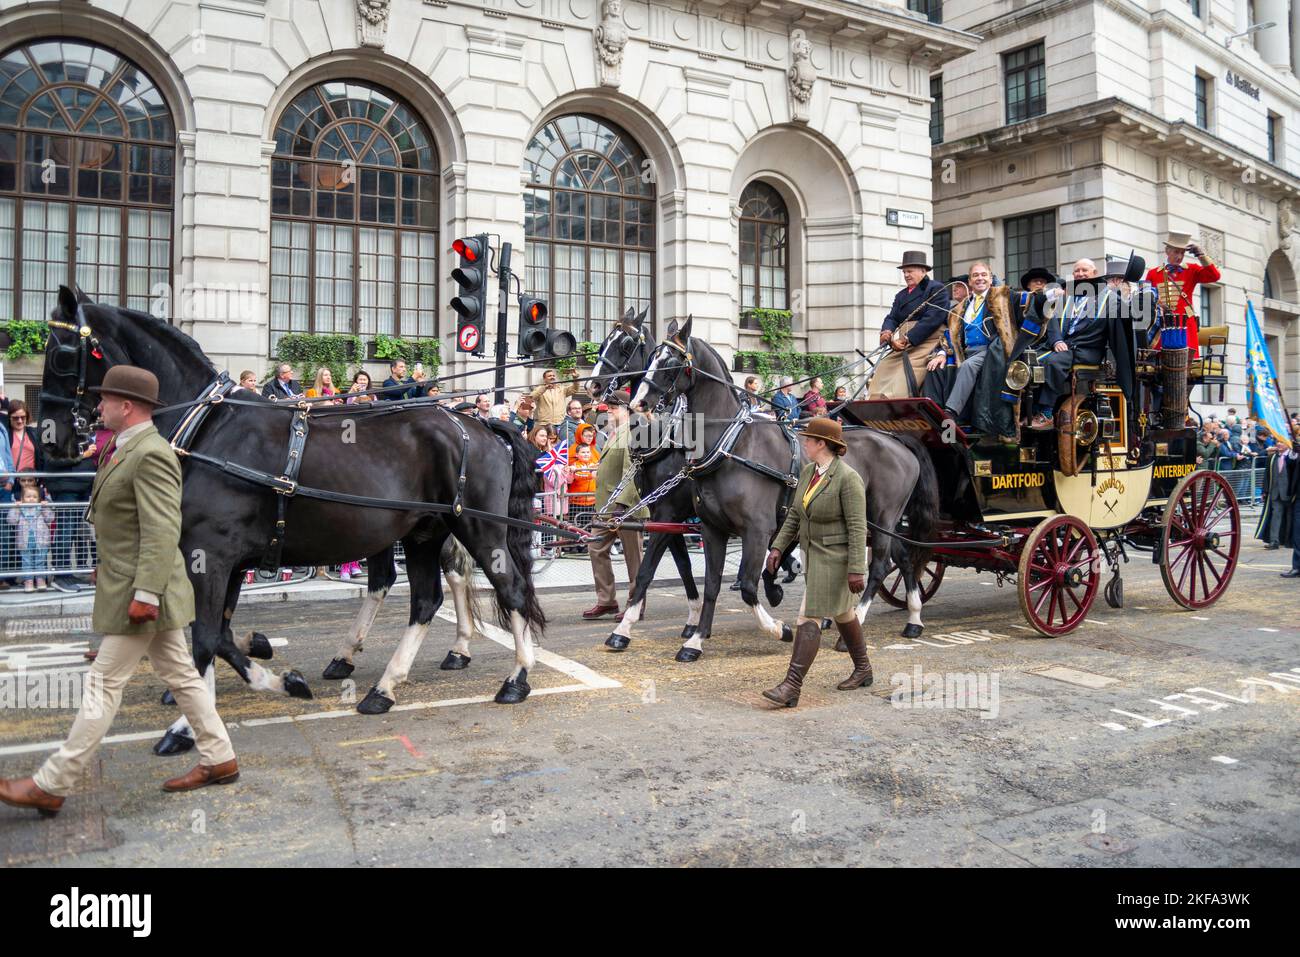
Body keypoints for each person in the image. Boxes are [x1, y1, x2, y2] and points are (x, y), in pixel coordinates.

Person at [0, 366, 239, 818]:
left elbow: (163, 528)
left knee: (103, 682)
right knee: (183, 676)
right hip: (135, 582)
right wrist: (106, 565)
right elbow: (125, 522)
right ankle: (219, 756)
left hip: (146, 592)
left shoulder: (150, 453)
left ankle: (52, 782)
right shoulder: (127, 447)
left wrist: (146, 593)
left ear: (126, 406)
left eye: (105, 399)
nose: (98, 407)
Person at [762, 417, 870, 707]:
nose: (804, 443)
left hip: (838, 559)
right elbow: (795, 516)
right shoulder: (810, 472)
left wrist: (857, 569)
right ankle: (864, 669)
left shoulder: (848, 479)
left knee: (808, 617)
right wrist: (777, 549)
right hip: (814, 554)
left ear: (822, 443)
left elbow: (858, 527)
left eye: (808, 439)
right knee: (844, 613)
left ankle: (791, 687)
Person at [1028, 259, 1123, 430]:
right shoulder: (1067, 294)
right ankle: (1031, 410)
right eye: (1076, 271)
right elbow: (1053, 320)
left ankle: (1046, 412)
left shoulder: (1109, 299)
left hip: (1087, 349)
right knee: (1029, 361)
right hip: (1064, 346)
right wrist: (1056, 340)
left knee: (1054, 362)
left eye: (1084, 270)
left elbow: (1113, 329)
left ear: (1094, 273)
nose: (1080, 273)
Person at [583, 391, 646, 619]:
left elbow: (632, 471)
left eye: (614, 407)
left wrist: (621, 504)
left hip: (626, 507)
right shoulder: (612, 433)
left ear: (627, 409)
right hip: (605, 506)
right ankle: (606, 600)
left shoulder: (633, 433)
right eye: (607, 407)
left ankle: (635, 602)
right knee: (596, 548)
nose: (608, 410)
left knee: (634, 558)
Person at [933, 261, 1014, 426]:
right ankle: (934, 412)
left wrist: (1048, 296)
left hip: (990, 351)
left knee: (967, 366)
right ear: (969, 282)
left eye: (984, 275)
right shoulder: (963, 306)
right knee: (937, 369)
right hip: (966, 351)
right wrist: (942, 352)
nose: (980, 278)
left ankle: (951, 412)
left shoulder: (1000, 298)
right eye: (975, 275)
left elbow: (1024, 300)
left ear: (991, 279)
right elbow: (950, 334)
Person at [870, 250, 951, 398]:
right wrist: (886, 332)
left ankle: (897, 405)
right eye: (904, 272)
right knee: (883, 367)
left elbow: (933, 318)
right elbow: (892, 317)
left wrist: (908, 338)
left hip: (926, 343)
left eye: (909, 271)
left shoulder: (936, 289)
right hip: (903, 345)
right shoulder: (901, 295)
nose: (906, 275)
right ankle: (876, 402)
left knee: (902, 376)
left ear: (923, 271)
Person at [1145, 232, 1220, 357]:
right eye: (1176, 252)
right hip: (1163, 327)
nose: (1179, 256)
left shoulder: (1191, 270)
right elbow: (1147, 299)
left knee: (1187, 364)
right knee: (1161, 363)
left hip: (1186, 326)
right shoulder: (1153, 273)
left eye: (1182, 253)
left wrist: (1201, 255)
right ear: (1167, 251)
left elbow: (1214, 276)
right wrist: (1159, 304)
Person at [8, 483, 53, 592]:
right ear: (22, 499)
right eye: (28, 497)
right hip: (24, 541)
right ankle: (28, 581)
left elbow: (50, 518)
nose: (31, 499)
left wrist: (45, 507)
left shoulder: (41, 508)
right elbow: (11, 520)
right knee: (26, 562)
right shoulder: (20, 508)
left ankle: (40, 580)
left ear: (38, 499)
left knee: (40, 561)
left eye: (34, 497)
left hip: (41, 541)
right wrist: (15, 507)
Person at [1258, 435, 1296, 550]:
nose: (1279, 444)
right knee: (1276, 516)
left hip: (1290, 493)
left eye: (1282, 442)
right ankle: (1274, 541)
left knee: (1291, 517)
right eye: (1277, 441)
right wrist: (1264, 490)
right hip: (1274, 491)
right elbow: (1267, 474)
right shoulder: (1272, 457)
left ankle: (1289, 540)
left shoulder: (1293, 457)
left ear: (1288, 444)